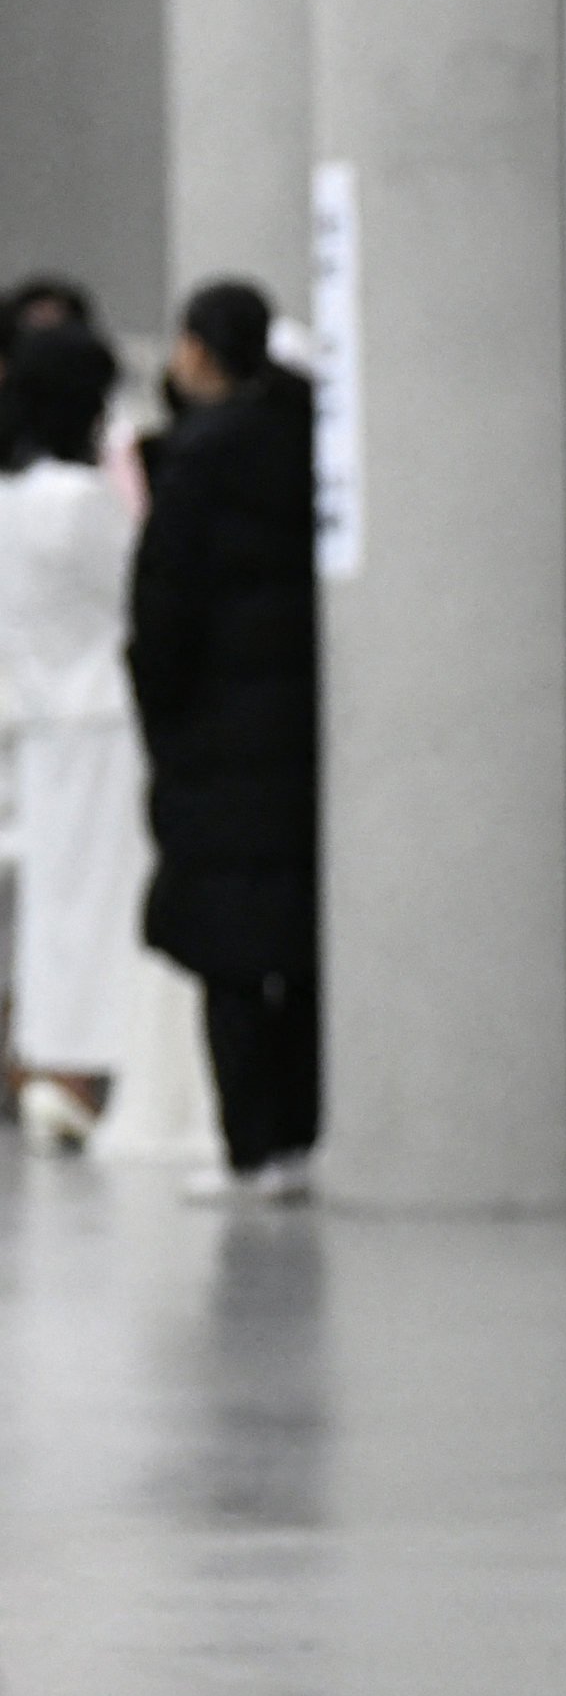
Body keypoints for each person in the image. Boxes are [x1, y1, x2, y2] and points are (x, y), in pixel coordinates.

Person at [129, 279, 317, 1201]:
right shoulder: (303, 438)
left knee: (230, 951)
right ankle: (304, 1131)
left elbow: (161, 616)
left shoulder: (196, 462)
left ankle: (251, 1147)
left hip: (214, 736)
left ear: (200, 350)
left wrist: (163, 717)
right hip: (302, 733)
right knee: (301, 939)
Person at [0, 321, 142, 1146]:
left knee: (55, 905)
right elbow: (137, 590)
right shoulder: (80, 501)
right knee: (101, 904)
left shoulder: (11, 498)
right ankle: (87, 1068)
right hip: (106, 719)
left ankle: (49, 1059)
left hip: (39, 719)